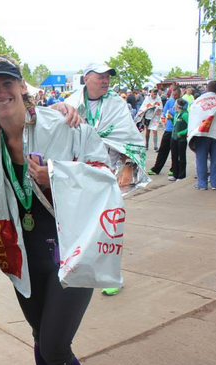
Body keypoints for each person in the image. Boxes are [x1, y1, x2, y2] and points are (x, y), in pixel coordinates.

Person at [0, 55, 112, 365]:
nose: (0, 92)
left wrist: (56, 177)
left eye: (8, 84)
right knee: (41, 338)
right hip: (25, 257)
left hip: (71, 252)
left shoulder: (63, 125)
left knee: (55, 346)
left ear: (23, 87)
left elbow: (105, 175)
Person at [65, 63, 148, 297]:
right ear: (86, 78)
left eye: (108, 77)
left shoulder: (116, 104)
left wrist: (128, 167)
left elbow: (128, 137)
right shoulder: (71, 103)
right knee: (79, 225)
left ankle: (111, 275)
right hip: (79, 174)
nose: (105, 81)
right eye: (100, 76)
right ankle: (79, 268)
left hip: (108, 173)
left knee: (109, 226)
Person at [188, 81, 216, 191]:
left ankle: (202, 184)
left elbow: (193, 118)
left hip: (201, 133)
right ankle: (215, 183)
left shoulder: (197, 102)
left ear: (207, 88)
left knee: (201, 159)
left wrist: (191, 132)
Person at [147, 86, 182, 176]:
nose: (174, 96)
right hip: (168, 128)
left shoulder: (182, 102)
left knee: (175, 152)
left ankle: (173, 169)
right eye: (173, 95)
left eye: (176, 95)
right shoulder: (169, 101)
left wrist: (172, 113)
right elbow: (165, 112)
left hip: (177, 129)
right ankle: (156, 169)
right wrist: (166, 116)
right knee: (163, 150)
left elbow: (182, 113)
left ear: (179, 94)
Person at [169, 98, 188, 181]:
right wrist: (170, 118)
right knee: (174, 156)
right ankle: (175, 174)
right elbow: (174, 123)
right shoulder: (176, 113)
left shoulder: (185, 114)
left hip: (181, 139)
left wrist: (182, 133)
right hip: (174, 137)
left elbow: (190, 126)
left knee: (182, 157)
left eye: (175, 104)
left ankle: (181, 175)